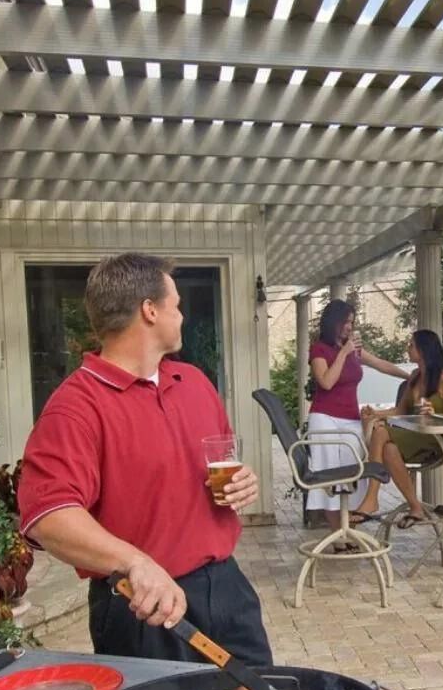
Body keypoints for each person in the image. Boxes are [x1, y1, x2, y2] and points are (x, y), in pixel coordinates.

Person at [16, 253, 272, 665]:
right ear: (149, 310)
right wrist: (135, 562)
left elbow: (217, 463)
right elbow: (48, 517)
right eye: (177, 305)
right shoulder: (76, 406)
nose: (182, 316)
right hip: (143, 606)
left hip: (227, 589)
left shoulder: (193, 382)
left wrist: (243, 480)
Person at [306, 299, 411, 540]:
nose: (349, 328)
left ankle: (350, 531)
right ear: (334, 322)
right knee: (331, 476)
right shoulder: (319, 350)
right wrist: (343, 353)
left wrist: (411, 376)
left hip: (351, 419)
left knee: (355, 476)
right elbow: (326, 382)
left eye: (352, 323)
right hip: (324, 419)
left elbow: (381, 364)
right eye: (346, 322)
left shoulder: (355, 350)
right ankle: (338, 537)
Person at [364, 329, 443, 529]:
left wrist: (436, 411)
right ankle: (415, 507)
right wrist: (375, 413)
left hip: (435, 440)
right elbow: (400, 411)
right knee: (388, 448)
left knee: (381, 431)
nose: (407, 348)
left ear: (423, 349)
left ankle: (372, 496)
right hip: (414, 435)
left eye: (411, 345)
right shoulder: (415, 376)